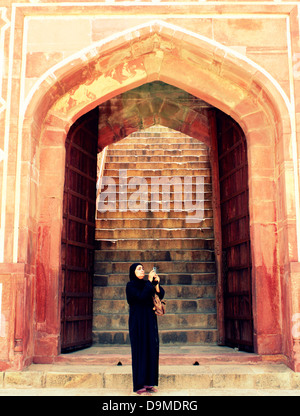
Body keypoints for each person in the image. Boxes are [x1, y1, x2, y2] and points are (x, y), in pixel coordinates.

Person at [126, 263, 165, 395]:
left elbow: (161, 295)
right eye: (139, 269)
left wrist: (156, 284)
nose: (142, 270)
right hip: (138, 322)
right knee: (140, 351)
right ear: (133, 272)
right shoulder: (130, 286)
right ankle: (138, 385)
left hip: (149, 320)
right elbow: (141, 297)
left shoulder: (146, 284)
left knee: (151, 349)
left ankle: (149, 382)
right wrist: (149, 283)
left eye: (143, 268)